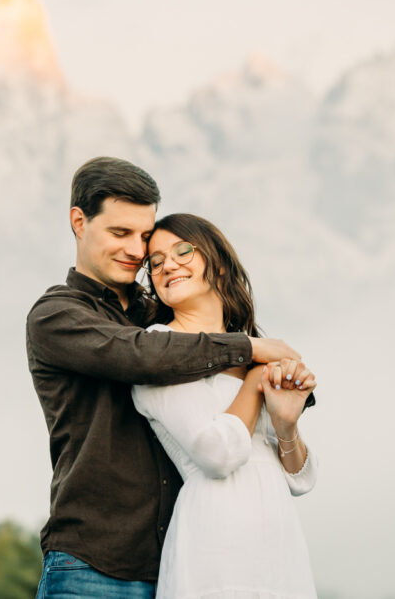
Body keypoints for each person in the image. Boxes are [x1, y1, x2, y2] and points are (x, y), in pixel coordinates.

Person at [26, 157, 303, 598]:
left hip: (183, 562)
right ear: (79, 222)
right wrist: (248, 348)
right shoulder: (57, 316)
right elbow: (140, 355)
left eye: (143, 237)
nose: (136, 251)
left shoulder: (162, 312)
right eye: (120, 233)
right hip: (91, 566)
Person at [132, 213, 319, 599]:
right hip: (214, 537)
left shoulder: (253, 348)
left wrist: (286, 426)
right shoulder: (159, 347)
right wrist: (254, 382)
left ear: (217, 263)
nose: (168, 265)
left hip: (277, 540)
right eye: (156, 262)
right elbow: (216, 453)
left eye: (183, 250)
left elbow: (300, 480)